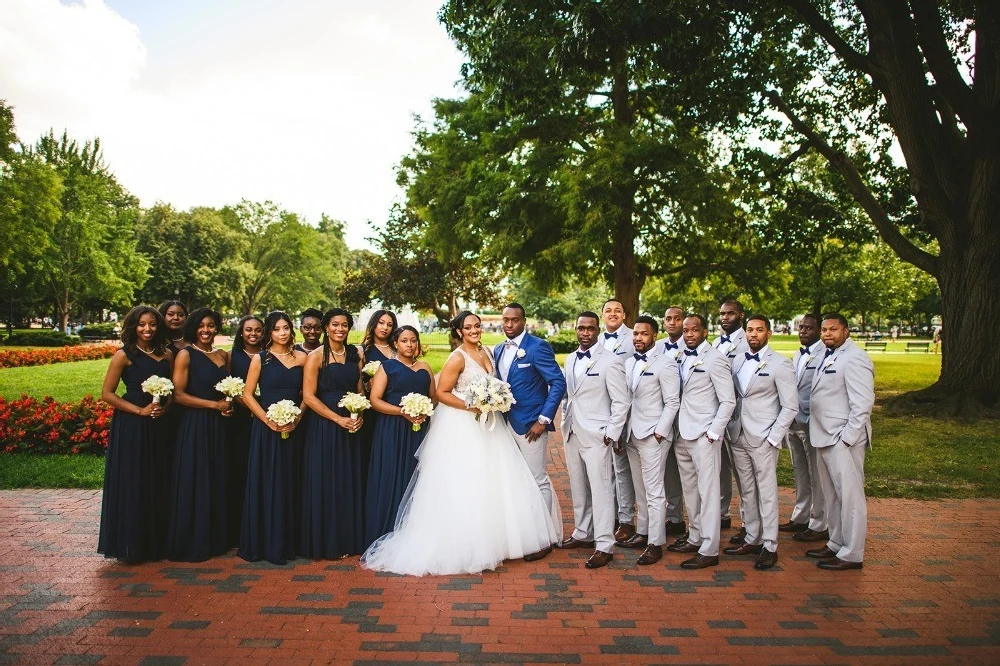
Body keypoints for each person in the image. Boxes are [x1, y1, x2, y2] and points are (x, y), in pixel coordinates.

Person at [362, 312, 559, 576]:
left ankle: (499, 540)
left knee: (495, 480)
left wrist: (492, 402)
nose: (474, 330)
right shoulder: (457, 358)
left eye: (477, 326)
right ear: (459, 332)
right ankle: (470, 545)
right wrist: (472, 405)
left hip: (491, 425)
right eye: (468, 327)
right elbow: (442, 393)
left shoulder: (489, 351)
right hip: (465, 425)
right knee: (469, 482)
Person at [97, 306, 173, 563]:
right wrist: (139, 411)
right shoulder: (124, 355)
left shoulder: (167, 355)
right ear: (133, 326)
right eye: (142, 324)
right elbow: (107, 394)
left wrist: (164, 407)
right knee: (134, 480)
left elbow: (173, 391)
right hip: (132, 425)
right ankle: (131, 544)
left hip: (160, 425)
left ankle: (157, 542)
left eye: (152, 324)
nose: (147, 329)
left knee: (158, 478)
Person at [723, 315, 797, 570]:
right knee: (746, 490)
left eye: (759, 330)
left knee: (766, 492)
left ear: (769, 333)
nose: (753, 334)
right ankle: (752, 537)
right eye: (750, 330)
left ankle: (770, 545)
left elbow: (790, 407)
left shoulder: (781, 364)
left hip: (764, 437)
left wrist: (773, 438)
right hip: (737, 434)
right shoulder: (738, 360)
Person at [493, 302, 566, 561]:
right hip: (504, 424)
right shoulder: (499, 349)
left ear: (524, 321)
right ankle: (526, 533)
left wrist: (543, 420)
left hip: (531, 425)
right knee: (517, 481)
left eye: (514, 320)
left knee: (538, 480)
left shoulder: (537, 347)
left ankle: (545, 538)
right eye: (505, 320)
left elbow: (557, 383)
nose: (509, 324)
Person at [559, 311, 629, 569]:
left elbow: (622, 401)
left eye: (590, 328)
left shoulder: (610, 361)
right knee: (578, 487)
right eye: (581, 328)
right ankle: (582, 532)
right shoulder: (570, 359)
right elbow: (569, 395)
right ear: (575, 329)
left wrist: (611, 432)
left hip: (598, 434)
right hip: (573, 431)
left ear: (597, 330)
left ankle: (604, 544)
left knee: (601, 490)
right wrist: (565, 420)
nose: (585, 332)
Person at [238, 311, 308, 564]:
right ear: (269, 333)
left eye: (286, 328)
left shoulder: (302, 358)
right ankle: (265, 542)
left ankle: (291, 541)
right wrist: (268, 420)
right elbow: (247, 394)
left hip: (295, 426)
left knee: (292, 480)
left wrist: (297, 417)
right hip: (267, 429)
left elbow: (308, 393)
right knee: (268, 480)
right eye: (277, 329)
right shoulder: (261, 359)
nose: (282, 333)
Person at [806, 313, 874, 571]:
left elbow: (863, 403)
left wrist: (848, 438)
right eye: (824, 330)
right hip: (823, 434)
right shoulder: (827, 354)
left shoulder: (855, 358)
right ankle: (836, 541)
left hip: (842, 438)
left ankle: (852, 552)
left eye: (833, 329)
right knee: (832, 494)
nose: (826, 334)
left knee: (850, 496)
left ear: (846, 331)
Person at [667, 314, 736, 570]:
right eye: (686, 331)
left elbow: (728, 400)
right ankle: (695, 536)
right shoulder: (680, 356)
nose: (689, 335)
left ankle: (709, 548)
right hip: (681, 433)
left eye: (694, 330)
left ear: (705, 332)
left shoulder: (715, 359)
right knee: (691, 491)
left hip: (704, 435)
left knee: (708, 493)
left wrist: (713, 433)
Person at [299, 308, 365, 559]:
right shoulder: (316, 357)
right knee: (326, 480)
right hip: (325, 425)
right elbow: (308, 396)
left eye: (345, 325)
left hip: (351, 425)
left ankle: (348, 540)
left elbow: (359, 390)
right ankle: (327, 542)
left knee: (347, 481)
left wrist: (358, 414)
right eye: (335, 324)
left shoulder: (355, 355)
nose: (340, 329)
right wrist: (337, 418)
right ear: (326, 327)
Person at [167, 308, 232, 562]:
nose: (206, 330)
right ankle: (192, 541)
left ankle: (214, 538)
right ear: (193, 328)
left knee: (215, 477)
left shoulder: (221, 355)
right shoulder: (185, 354)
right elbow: (178, 394)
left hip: (219, 426)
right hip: (195, 423)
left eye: (211, 325)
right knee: (196, 478)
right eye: (201, 326)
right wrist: (213, 406)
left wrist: (227, 405)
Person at [363, 325, 435, 548]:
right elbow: (375, 400)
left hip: (420, 428)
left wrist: (423, 410)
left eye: (413, 340)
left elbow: (434, 397)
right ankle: (389, 528)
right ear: (396, 343)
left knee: (417, 475)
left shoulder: (425, 367)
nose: (410, 345)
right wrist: (402, 412)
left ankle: (416, 529)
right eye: (404, 340)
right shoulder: (387, 367)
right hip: (392, 429)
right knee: (393, 474)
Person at [620, 315, 680, 565]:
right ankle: (643, 532)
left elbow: (673, 401)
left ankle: (656, 542)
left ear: (655, 336)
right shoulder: (628, 363)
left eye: (644, 334)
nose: (638, 338)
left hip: (654, 434)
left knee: (655, 491)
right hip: (632, 433)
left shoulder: (665, 363)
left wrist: (660, 431)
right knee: (640, 488)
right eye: (635, 334)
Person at [781, 314, 829, 543]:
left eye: (809, 328)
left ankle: (819, 522)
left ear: (819, 330)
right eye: (801, 327)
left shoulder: (823, 356)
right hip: (793, 423)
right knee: (800, 472)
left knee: (816, 474)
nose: (803, 331)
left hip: (812, 424)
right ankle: (800, 516)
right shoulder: (797, 355)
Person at [600, 298, 637, 544]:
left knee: (623, 469)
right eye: (608, 310)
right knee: (606, 470)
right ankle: (609, 517)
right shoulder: (597, 340)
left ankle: (626, 520)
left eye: (617, 310)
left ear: (624, 314)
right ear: (602, 315)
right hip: (601, 412)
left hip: (626, 411)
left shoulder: (634, 338)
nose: (612, 314)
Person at [712, 298, 749, 542]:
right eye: (723, 314)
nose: (725, 318)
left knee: (744, 474)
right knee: (720, 470)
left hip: (741, 417)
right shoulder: (715, 343)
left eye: (731, 313)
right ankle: (722, 513)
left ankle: (749, 523)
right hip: (717, 417)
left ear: (741, 315)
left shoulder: (749, 342)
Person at [226, 314, 263, 547]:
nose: (253, 334)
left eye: (258, 330)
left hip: (267, 416)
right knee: (240, 467)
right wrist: (248, 403)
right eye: (248, 330)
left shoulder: (269, 356)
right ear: (241, 332)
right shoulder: (233, 356)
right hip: (240, 419)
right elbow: (230, 386)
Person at [359, 309, 398, 493]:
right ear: (374, 323)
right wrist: (368, 386)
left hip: (394, 405)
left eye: (389, 325)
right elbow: (357, 381)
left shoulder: (396, 349)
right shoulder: (363, 351)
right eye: (381, 323)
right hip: (372, 408)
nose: (385, 328)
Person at [659, 306, 687, 538]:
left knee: (686, 472)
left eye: (677, 319)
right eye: (668, 319)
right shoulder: (657, 347)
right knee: (667, 471)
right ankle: (673, 517)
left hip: (688, 418)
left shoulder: (691, 347)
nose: (672, 323)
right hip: (661, 418)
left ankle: (714, 516)